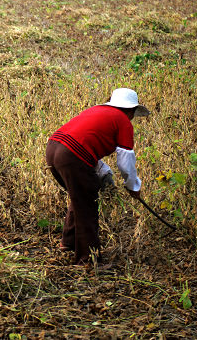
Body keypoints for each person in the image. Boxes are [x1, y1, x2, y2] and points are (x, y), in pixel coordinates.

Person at [46, 88, 149, 265]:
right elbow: (126, 161)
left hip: (53, 147)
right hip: (71, 155)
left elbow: (83, 142)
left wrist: (103, 173)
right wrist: (134, 187)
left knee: (80, 196)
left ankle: (69, 242)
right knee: (88, 205)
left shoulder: (96, 110)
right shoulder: (123, 121)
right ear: (131, 110)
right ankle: (88, 259)